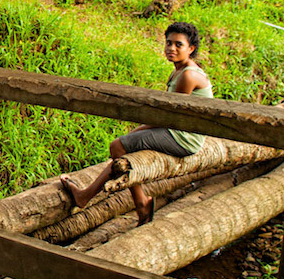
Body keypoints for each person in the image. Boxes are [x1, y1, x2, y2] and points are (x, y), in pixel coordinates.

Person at [60, 22, 212, 226]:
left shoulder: (188, 75)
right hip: (177, 129)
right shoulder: (179, 71)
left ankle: (129, 201)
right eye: (168, 43)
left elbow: (168, 116)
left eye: (178, 45)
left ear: (191, 49)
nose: (171, 49)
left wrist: (139, 129)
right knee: (122, 147)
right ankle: (100, 197)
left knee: (118, 146)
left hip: (184, 137)